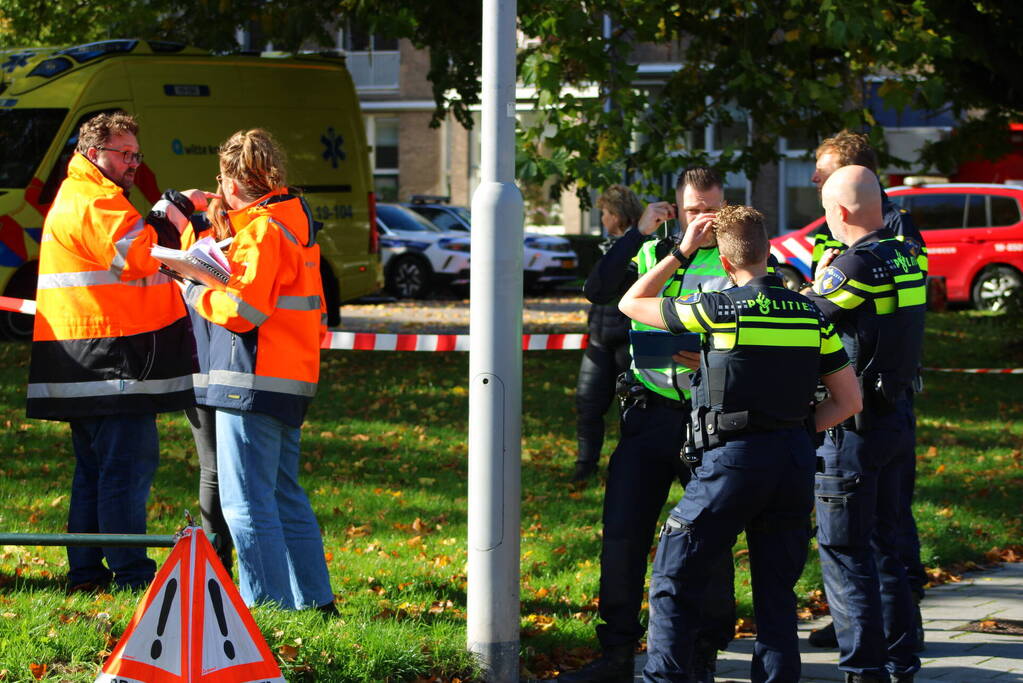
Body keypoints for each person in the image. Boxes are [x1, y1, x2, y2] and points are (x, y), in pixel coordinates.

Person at [618, 204, 861, 683]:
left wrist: (681, 252)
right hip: (793, 464)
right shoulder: (812, 314)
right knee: (776, 595)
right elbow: (848, 401)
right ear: (769, 250)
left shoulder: (719, 309)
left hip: (731, 464)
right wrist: (794, 430)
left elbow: (631, 302)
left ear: (725, 264)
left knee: (673, 575)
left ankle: (663, 678)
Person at [559, 168, 737, 683]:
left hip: (707, 420)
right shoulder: (652, 252)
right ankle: (616, 650)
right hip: (648, 415)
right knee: (622, 534)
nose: (704, 219)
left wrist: (713, 359)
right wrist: (643, 232)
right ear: (675, 211)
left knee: (707, 538)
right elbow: (598, 290)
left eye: (712, 208)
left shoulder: (735, 260)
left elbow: (755, 329)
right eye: (693, 209)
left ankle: (704, 648)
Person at [26, 111, 199, 591]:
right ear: (91, 152)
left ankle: (86, 572)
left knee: (95, 473)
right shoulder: (96, 200)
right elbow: (140, 256)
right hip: (109, 358)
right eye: (122, 154)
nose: (131, 163)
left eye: (135, 154)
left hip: (86, 356)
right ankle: (131, 575)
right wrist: (176, 213)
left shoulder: (82, 195)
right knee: (124, 470)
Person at [179, 128, 336, 612]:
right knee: (284, 495)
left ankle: (268, 611)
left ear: (229, 180)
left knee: (245, 503)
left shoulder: (263, 230)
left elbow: (244, 310)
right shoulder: (292, 222)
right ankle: (315, 603)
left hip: (252, 379)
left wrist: (192, 288)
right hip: (288, 377)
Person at [803, 165, 927, 683]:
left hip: (851, 429)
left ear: (843, 212)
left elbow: (805, 322)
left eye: (828, 210)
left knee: (845, 552)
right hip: (897, 418)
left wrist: (814, 284)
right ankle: (902, 664)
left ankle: (863, 670)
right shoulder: (906, 256)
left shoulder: (853, 266)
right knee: (891, 549)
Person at [571, 185, 643, 483]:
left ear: (617, 215)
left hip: (627, 340)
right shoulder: (602, 247)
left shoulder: (644, 248)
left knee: (632, 410)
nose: (601, 219)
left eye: (604, 213)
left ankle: (630, 468)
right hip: (599, 339)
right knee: (588, 404)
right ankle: (585, 464)